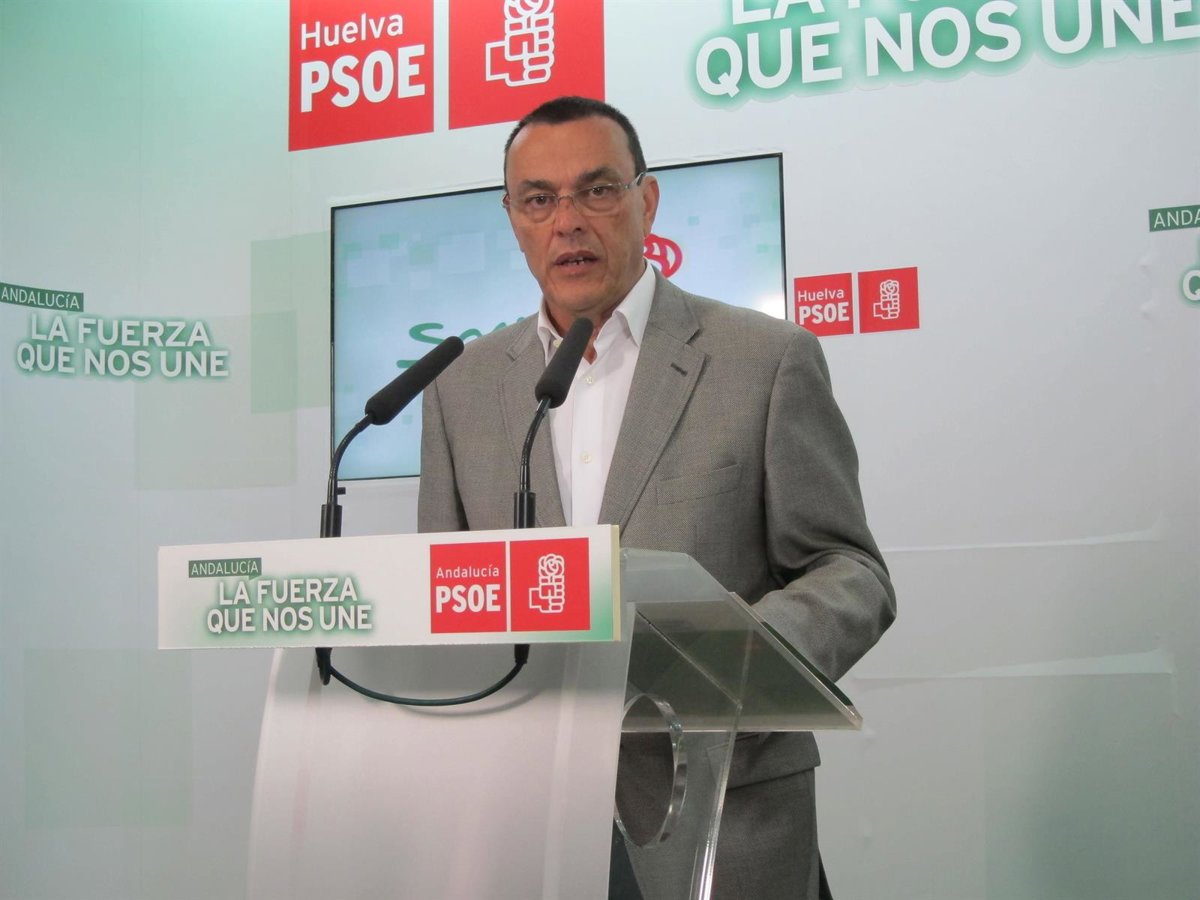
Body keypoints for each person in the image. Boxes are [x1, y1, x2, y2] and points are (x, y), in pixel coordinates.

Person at [418, 95, 896, 899]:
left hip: (722, 812)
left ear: (647, 201)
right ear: (512, 219)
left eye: (597, 190)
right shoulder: (460, 389)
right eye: (538, 199)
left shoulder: (765, 359)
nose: (567, 222)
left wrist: (746, 655)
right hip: (527, 819)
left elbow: (850, 569)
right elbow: (445, 598)